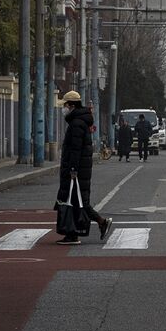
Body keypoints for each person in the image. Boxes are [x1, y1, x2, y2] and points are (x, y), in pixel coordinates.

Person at [56, 91, 112, 245]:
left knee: (77, 201)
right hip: (81, 168)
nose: (64, 108)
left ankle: (100, 223)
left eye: (65, 105)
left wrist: (73, 169)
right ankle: (73, 233)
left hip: (77, 170)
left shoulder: (77, 124)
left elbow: (76, 149)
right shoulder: (79, 122)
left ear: (71, 106)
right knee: (75, 200)